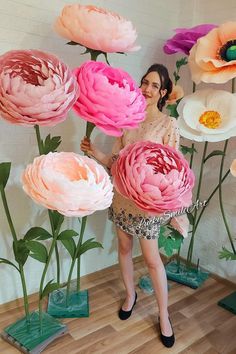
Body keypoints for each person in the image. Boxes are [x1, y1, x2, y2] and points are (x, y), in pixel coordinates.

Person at [80, 63, 182, 348]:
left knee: (152, 260)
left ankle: (164, 315)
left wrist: (165, 204)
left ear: (163, 92)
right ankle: (130, 295)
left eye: (154, 85)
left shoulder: (168, 124)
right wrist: (93, 151)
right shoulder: (128, 121)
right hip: (122, 198)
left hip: (148, 204)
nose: (147, 89)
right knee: (124, 249)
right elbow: (115, 162)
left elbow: (172, 169)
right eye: (144, 83)